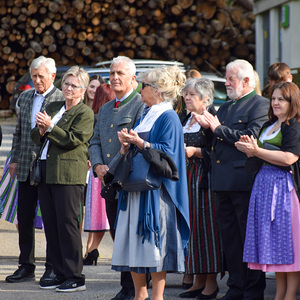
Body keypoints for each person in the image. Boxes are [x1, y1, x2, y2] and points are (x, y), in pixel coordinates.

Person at [111, 64, 190, 300]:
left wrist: (141, 144)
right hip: (135, 189)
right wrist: (127, 144)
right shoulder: (146, 113)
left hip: (156, 192)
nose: (140, 89)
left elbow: (169, 155)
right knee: (134, 243)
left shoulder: (169, 117)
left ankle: (157, 296)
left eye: (144, 85)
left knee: (155, 245)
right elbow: (140, 147)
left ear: (156, 90)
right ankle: (139, 295)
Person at [193, 59, 269, 300]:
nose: (226, 83)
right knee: (230, 239)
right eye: (226, 78)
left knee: (248, 238)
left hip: (244, 181)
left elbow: (250, 138)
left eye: (230, 79)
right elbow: (213, 144)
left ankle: (252, 290)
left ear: (247, 81)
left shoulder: (260, 105)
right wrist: (206, 129)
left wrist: (217, 129)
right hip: (222, 181)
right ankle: (235, 287)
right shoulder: (224, 108)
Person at [30, 66, 94, 292]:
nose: (68, 88)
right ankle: (57, 271)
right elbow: (34, 136)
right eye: (66, 83)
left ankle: (75, 275)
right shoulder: (55, 106)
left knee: (67, 226)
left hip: (68, 176)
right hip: (47, 171)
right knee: (52, 225)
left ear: (83, 90)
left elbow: (73, 140)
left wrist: (50, 127)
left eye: (74, 85)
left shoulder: (85, 113)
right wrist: (40, 130)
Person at [235, 81, 300, 300]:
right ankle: (279, 295)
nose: (275, 103)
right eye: (273, 98)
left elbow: (289, 158)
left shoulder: (295, 125)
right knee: (277, 247)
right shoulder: (268, 126)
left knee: (288, 245)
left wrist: (257, 151)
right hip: (264, 186)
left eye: (281, 99)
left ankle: (289, 296)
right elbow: (260, 154)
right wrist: (249, 149)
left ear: (292, 102)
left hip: (283, 188)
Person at [89, 56, 144, 300]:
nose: (114, 77)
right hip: (108, 181)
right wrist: (98, 166)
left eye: (120, 73)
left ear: (133, 78)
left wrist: (108, 169)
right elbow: (95, 141)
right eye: (112, 73)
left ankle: (132, 289)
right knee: (117, 235)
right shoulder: (104, 109)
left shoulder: (140, 105)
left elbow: (133, 146)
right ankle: (127, 286)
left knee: (129, 235)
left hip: (128, 181)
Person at [6, 56, 64, 284]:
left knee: (50, 218)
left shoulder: (61, 98)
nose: (37, 80)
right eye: (34, 76)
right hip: (25, 166)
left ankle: (51, 267)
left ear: (52, 76)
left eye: (41, 76)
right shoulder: (26, 96)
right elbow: (18, 131)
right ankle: (26, 265)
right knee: (25, 217)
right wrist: (14, 159)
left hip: (49, 166)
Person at [179, 78, 224, 299]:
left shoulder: (213, 118)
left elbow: (219, 153)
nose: (187, 98)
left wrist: (195, 152)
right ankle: (197, 279)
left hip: (203, 178)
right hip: (186, 177)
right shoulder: (185, 118)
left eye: (192, 95)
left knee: (206, 228)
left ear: (205, 98)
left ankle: (211, 283)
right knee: (192, 228)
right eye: (186, 94)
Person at [83, 83, 116, 265]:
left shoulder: (96, 116)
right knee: (107, 217)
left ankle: (91, 249)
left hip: (97, 172)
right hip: (104, 171)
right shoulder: (102, 116)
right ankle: (92, 249)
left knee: (98, 216)